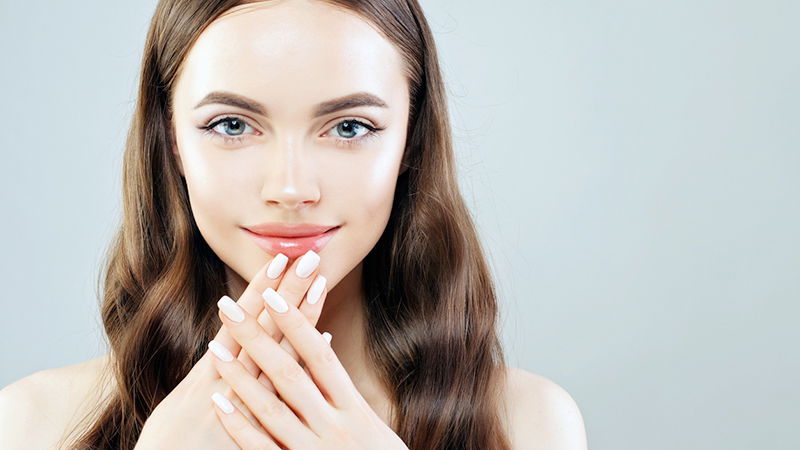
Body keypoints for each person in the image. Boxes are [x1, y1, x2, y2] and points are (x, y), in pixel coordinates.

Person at [0, 0, 588, 448]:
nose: (290, 188)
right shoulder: (35, 423)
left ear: (412, 141)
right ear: (170, 143)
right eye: (232, 125)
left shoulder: (529, 424)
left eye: (350, 127)